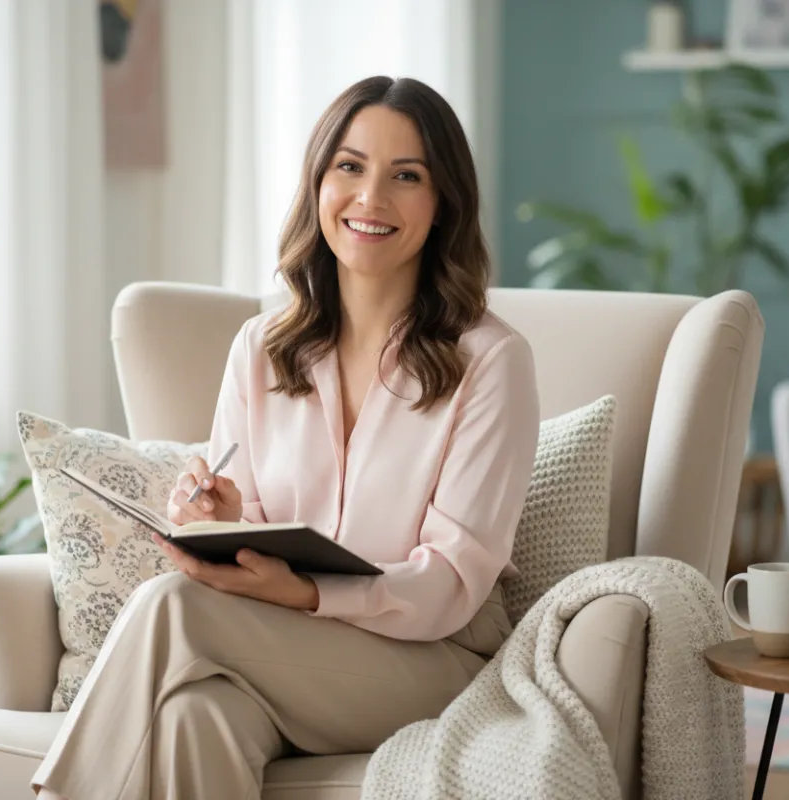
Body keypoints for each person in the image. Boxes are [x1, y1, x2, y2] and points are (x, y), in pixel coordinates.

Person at [32, 74, 540, 800]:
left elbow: (452, 585)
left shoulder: (489, 361)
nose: (371, 199)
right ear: (318, 184)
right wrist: (223, 520)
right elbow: (263, 529)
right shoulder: (262, 348)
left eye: (407, 176)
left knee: (170, 606)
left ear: (443, 204)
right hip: (283, 645)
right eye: (350, 167)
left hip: (430, 660)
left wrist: (306, 594)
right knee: (192, 717)